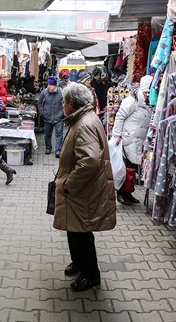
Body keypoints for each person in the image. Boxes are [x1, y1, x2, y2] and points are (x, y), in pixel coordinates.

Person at [54, 83, 116, 292]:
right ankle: (80, 263)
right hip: (81, 190)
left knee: (81, 233)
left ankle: (91, 274)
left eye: (64, 101)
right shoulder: (82, 119)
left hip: (82, 190)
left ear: (72, 103)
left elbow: (89, 161)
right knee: (75, 229)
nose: (63, 105)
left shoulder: (84, 124)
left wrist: (69, 184)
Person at [111, 75, 153, 205]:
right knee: (125, 168)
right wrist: (117, 135)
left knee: (133, 168)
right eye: (146, 92)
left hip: (139, 140)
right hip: (128, 138)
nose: (148, 95)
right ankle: (121, 193)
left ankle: (128, 193)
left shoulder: (148, 103)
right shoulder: (132, 101)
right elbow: (120, 117)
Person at [38, 76, 64, 158]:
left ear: (55, 85)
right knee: (47, 134)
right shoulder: (44, 92)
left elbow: (65, 104)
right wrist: (42, 113)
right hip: (47, 117)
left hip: (59, 117)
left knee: (59, 134)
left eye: (51, 85)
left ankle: (58, 150)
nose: (49, 86)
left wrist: (63, 114)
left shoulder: (62, 93)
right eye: (48, 84)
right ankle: (48, 148)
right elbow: (39, 103)